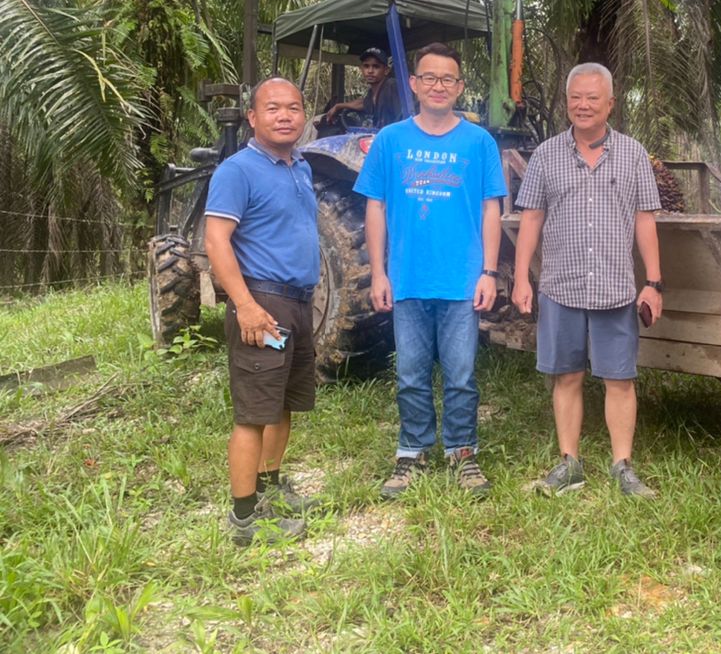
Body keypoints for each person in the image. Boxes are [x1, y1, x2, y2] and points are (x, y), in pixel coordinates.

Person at [354, 42, 506, 500]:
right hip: (407, 279)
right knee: (411, 374)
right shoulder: (391, 141)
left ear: (460, 87)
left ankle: (462, 452)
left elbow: (491, 209)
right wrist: (378, 273)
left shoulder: (479, 143)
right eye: (430, 78)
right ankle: (413, 452)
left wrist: (489, 272)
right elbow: (375, 208)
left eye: (448, 79)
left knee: (461, 375)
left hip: (461, 281)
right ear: (415, 84)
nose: (439, 86)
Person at [512, 63, 664, 498]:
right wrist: (522, 277)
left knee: (620, 378)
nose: (583, 105)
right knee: (567, 375)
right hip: (560, 285)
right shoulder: (546, 155)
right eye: (575, 97)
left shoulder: (633, 154)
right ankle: (569, 463)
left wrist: (653, 282)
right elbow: (532, 219)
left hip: (616, 287)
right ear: (567, 102)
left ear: (610, 104)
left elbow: (645, 221)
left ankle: (622, 465)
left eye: (592, 98)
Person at [205, 77, 321, 546]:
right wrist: (245, 306)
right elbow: (216, 241)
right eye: (273, 108)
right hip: (262, 302)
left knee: (283, 403)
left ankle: (271, 485)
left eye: (293, 107)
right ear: (252, 117)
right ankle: (243, 519)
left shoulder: (300, 168)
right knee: (253, 411)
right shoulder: (237, 171)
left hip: (296, 301)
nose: (285, 115)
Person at [319, 47, 402, 130]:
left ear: (386, 70)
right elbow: (362, 104)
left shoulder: (392, 86)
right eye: (366, 66)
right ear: (361, 69)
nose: (370, 71)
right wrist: (338, 106)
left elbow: (403, 117)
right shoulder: (372, 93)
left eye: (376, 66)